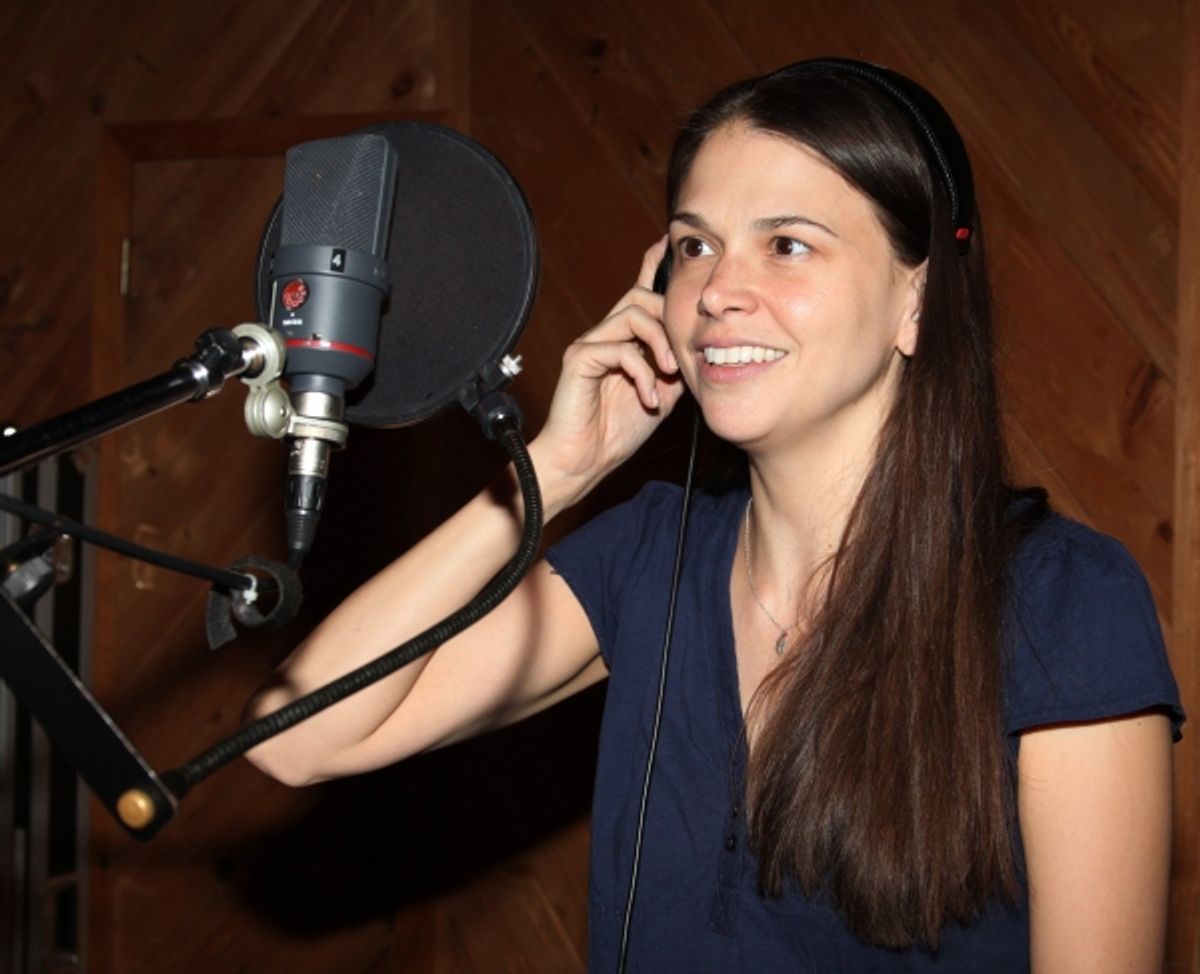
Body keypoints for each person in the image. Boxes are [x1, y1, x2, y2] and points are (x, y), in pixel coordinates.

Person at [245, 59, 1184, 972]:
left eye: (787, 244)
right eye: (695, 246)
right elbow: (297, 738)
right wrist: (554, 470)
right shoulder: (647, 558)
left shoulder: (1064, 601)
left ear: (917, 300)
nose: (718, 293)